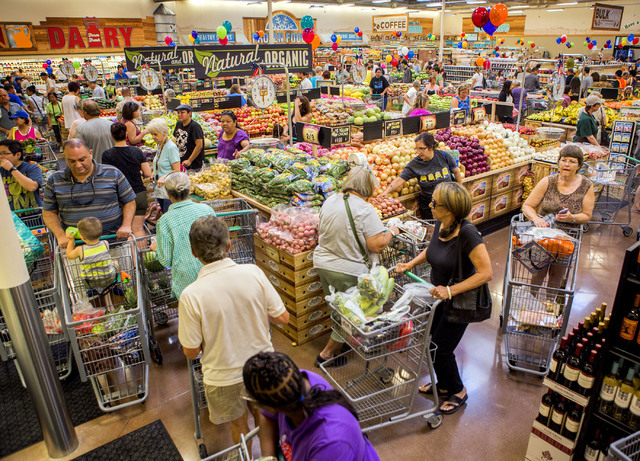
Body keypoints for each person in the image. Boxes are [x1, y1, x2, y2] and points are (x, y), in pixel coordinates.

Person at [178, 215, 289, 445]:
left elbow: (190, 351)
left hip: (222, 377)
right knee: (265, 417)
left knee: (238, 425)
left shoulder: (190, 295)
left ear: (194, 252)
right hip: (262, 366)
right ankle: (270, 455)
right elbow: (282, 317)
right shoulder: (253, 273)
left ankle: (245, 456)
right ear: (229, 245)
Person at [395, 182, 492, 415]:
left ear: (449, 208)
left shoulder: (468, 233)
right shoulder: (441, 223)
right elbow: (431, 250)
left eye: (434, 203)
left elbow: (486, 273)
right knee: (432, 344)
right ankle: (444, 384)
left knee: (441, 349)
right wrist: (410, 264)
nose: (430, 205)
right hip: (438, 296)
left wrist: (450, 291)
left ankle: (458, 390)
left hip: (460, 301)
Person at [313, 166, 399, 365]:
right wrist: (392, 231)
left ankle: (343, 344)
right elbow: (377, 245)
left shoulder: (331, 200)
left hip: (324, 263)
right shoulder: (365, 209)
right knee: (352, 315)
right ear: (368, 187)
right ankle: (326, 355)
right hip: (347, 269)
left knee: (338, 309)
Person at [242, 351, 381, 461]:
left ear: (270, 407)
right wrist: (269, 457)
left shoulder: (330, 442)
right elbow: (267, 417)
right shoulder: (289, 385)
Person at [521, 145, 594, 287]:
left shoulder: (586, 185)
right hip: (544, 235)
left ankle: (551, 300)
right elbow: (527, 206)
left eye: (572, 161)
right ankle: (532, 298)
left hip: (567, 238)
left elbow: (587, 215)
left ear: (579, 165)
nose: (567, 164)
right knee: (538, 272)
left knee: (557, 275)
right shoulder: (548, 181)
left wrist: (572, 218)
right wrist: (536, 218)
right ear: (558, 162)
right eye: (564, 160)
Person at [43, 138, 136, 248]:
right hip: (76, 247)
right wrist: (60, 235)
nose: (78, 165)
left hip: (113, 241)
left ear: (90, 153)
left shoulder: (113, 173)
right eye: (72, 161)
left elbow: (129, 201)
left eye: (82, 159)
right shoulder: (55, 180)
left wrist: (126, 225)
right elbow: (49, 212)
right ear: (64, 158)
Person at [153, 172, 217, 299]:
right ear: (190, 189)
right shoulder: (207, 209)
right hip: (212, 272)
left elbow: (165, 260)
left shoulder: (165, 221)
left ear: (167, 194)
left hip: (186, 281)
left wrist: (155, 249)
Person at [383, 132, 462, 219]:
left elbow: (456, 172)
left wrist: (460, 191)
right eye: (416, 149)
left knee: (448, 224)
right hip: (428, 203)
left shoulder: (443, 156)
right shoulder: (415, 164)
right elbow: (400, 180)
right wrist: (385, 193)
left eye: (421, 148)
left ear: (430, 147)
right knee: (430, 225)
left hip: (447, 200)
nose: (418, 152)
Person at [101, 122, 152, 240]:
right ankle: (142, 252)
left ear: (111, 136)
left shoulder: (107, 155)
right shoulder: (137, 151)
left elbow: (108, 177)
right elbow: (148, 173)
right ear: (126, 135)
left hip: (121, 198)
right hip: (139, 194)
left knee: (127, 231)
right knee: (138, 229)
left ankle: (131, 253)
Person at [65, 216, 117, 310]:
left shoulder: (80, 250)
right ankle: (111, 295)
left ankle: (92, 299)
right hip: (108, 278)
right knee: (114, 262)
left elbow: (69, 255)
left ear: (82, 236)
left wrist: (71, 240)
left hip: (89, 282)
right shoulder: (105, 243)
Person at [147, 117, 181, 213]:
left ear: (164, 133)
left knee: (168, 214)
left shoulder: (171, 148)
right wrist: (153, 173)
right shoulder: (159, 145)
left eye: (155, 134)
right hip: (160, 190)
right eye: (152, 134)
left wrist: (164, 177)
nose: (153, 137)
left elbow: (177, 170)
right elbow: (159, 163)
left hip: (168, 192)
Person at [0, 139, 43, 211]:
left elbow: (32, 187)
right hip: (12, 216)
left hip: (34, 214)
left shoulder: (32, 168)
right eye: (0, 153)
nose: (1, 157)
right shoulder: (1, 171)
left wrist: (11, 169)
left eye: (5, 153)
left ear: (18, 155)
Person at [173, 104, 205, 170]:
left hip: (194, 165)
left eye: (182, 113)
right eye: (178, 113)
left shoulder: (195, 126)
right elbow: (175, 140)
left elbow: (199, 145)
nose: (179, 115)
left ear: (189, 113)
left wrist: (189, 160)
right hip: (182, 162)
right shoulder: (178, 124)